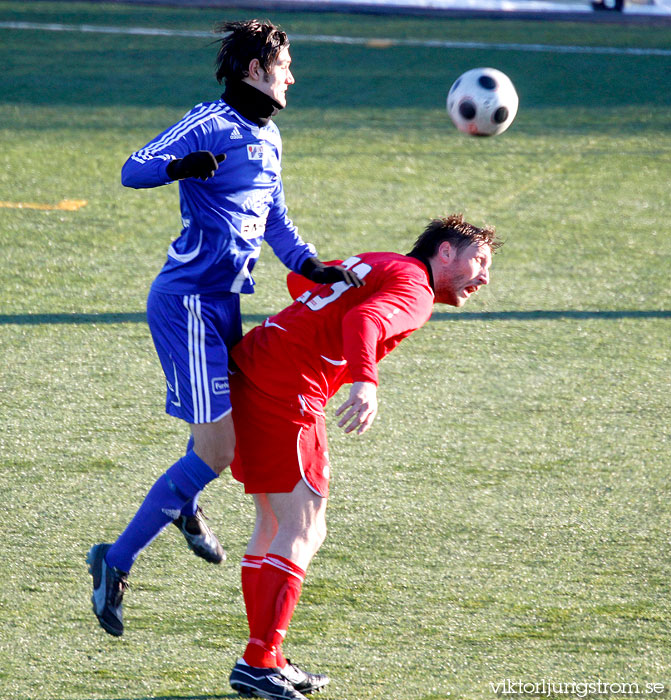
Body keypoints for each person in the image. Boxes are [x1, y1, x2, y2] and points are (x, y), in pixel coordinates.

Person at [87, 18, 362, 648]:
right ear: (256, 68)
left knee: (221, 446)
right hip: (186, 302)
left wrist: (313, 264)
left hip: (223, 307)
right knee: (216, 451)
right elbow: (134, 168)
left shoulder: (271, 138)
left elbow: (278, 221)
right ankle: (117, 559)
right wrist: (181, 166)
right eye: (285, 64)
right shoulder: (209, 119)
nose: (293, 76)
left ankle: (180, 503)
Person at [226, 214, 502, 699]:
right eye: (478, 260)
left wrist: (321, 321)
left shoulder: (382, 262)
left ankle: (264, 657)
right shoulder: (416, 290)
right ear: (444, 253)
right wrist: (365, 382)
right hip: (286, 387)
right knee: (305, 527)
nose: (484, 275)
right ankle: (259, 660)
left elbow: (302, 278)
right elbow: (364, 319)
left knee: (272, 523)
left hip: (253, 367)